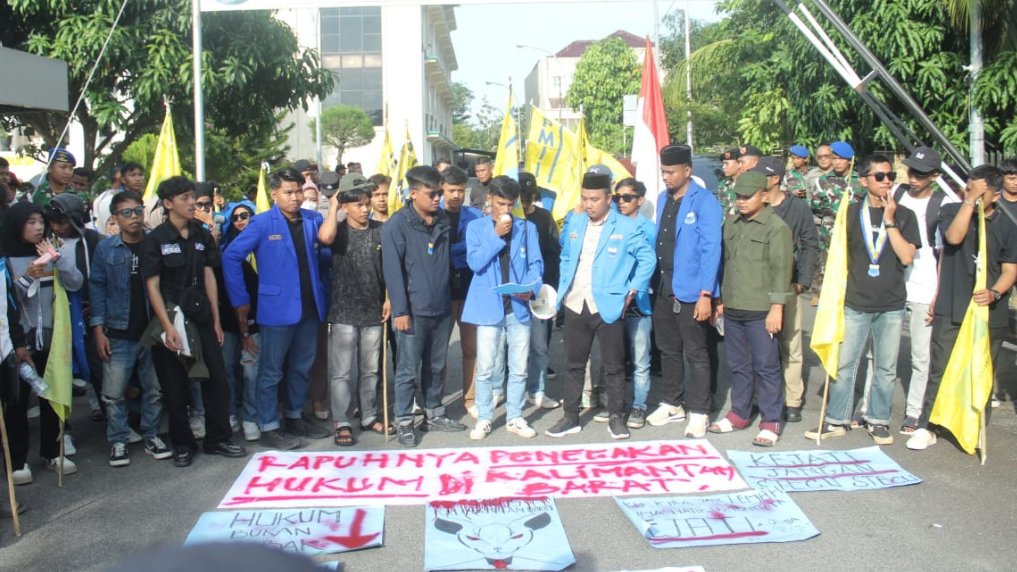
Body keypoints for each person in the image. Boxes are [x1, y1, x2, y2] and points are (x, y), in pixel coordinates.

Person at [805, 154, 920, 445]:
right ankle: (836, 419)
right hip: (855, 301)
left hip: (891, 303)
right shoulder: (850, 212)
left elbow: (907, 256)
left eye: (891, 176)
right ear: (864, 180)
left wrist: (891, 222)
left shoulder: (905, 215)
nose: (887, 181)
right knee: (845, 365)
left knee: (885, 367)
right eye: (879, 176)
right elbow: (837, 259)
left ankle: (878, 420)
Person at [908, 165, 1017, 450]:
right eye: (970, 189)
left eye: (981, 192)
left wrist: (995, 292)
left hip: (989, 310)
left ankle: (973, 426)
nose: (975, 195)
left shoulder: (1007, 222)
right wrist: (969, 201)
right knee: (940, 367)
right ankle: (928, 425)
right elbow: (954, 239)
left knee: (981, 369)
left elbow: (1010, 269)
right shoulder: (951, 211)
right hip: (952, 303)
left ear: (995, 195)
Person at [141, 176, 246, 467]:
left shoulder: (201, 234)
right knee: (174, 388)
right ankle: (183, 445)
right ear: (167, 203)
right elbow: (152, 286)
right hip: (171, 321)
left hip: (202, 320)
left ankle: (218, 439)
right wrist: (167, 326)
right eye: (185, 198)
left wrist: (215, 320)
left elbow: (211, 275)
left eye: (192, 197)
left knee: (218, 380)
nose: (191, 203)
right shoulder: (156, 240)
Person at [223, 168, 331, 450]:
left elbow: (326, 253)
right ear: (273, 194)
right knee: (271, 371)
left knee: (301, 367)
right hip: (276, 309)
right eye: (288, 192)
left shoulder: (312, 219)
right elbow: (231, 256)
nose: (295, 198)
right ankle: (269, 423)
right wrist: (241, 298)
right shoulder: (260, 224)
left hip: (310, 306)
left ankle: (295, 416)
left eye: (298, 191)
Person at [546, 171, 655, 440]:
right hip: (575, 303)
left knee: (614, 365)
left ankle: (617, 417)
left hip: (609, 304)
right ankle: (570, 416)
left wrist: (631, 291)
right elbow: (566, 257)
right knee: (573, 364)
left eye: (594, 199)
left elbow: (648, 259)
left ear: (609, 198)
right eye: (584, 199)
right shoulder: (575, 222)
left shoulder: (626, 226)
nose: (589, 204)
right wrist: (564, 287)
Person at [382, 165, 465, 447]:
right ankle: (404, 420)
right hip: (413, 311)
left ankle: (434, 413)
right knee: (407, 369)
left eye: (439, 193)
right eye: (432, 194)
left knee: (436, 364)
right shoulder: (397, 224)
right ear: (413, 193)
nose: (437, 199)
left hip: (440, 306)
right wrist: (401, 311)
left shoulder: (441, 218)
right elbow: (393, 272)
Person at [1, 202, 84, 476]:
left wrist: (57, 258)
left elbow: (76, 283)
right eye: (31, 222)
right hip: (18, 343)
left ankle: (52, 452)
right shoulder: (6, 259)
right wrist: (26, 278)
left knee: (53, 394)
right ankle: (17, 461)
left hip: (52, 338)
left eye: (41, 222)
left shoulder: (51, 252)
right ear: (16, 225)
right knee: (18, 403)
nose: (38, 228)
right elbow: (7, 303)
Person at [710, 171, 793, 446]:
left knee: (767, 367)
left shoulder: (776, 227)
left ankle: (771, 420)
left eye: (748, 197)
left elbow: (782, 271)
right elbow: (725, 265)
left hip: (761, 310)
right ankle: (740, 413)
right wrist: (719, 301)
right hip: (734, 307)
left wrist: (777, 308)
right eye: (738, 197)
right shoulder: (731, 225)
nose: (741, 201)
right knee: (738, 365)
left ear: (764, 196)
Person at [90, 190, 170, 466]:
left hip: (152, 330)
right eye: (126, 213)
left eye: (137, 211)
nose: (134, 217)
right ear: (115, 217)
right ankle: (119, 439)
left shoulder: (155, 243)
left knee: (155, 389)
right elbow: (97, 289)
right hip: (118, 331)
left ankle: (151, 434)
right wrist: (98, 329)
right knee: (113, 393)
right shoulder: (106, 248)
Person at [649, 144, 723, 438]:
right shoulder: (662, 198)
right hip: (664, 285)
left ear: (687, 171)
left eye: (671, 172)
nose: (665, 177)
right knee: (668, 349)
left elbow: (711, 250)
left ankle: (699, 410)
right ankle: (672, 401)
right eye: (663, 171)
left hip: (693, 291)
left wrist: (707, 293)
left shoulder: (704, 201)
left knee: (696, 352)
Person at [462, 176, 544, 440]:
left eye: (510, 204)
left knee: (519, 367)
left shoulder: (527, 228)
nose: (506, 211)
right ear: (490, 200)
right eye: (500, 204)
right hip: (488, 308)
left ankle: (515, 417)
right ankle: (484, 418)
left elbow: (537, 266)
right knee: (486, 368)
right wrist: (496, 236)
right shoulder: (476, 228)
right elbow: (475, 263)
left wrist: (531, 287)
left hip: (518, 307)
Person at [319, 174, 391, 447]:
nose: (365, 209)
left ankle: (369, 415)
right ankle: (342, 420)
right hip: (343, 311)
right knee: (342, 371)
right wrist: (334, 205)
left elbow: (390, 269)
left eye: (366, 203)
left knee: (371, 369)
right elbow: (324, 238)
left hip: (373, 308)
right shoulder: (337, 231)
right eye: (358, 205)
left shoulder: (380, 230)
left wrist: (390, 298)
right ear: (346, 207)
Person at [893, 147, 956, 434]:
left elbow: (944, 254)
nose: (913, 177)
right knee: (880, 353)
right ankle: (869, 407)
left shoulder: (944, 204)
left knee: (921, 356)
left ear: (935, 176)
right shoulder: (896, 194)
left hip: (924, 287)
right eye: (910, 170)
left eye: (920, 173)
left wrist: (937, 294)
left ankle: (915, 411)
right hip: (892, 285)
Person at [754, 157, 818, 423]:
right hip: (756, 286)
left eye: (762, 175)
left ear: (775, 179)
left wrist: (802, 280)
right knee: (758, 345)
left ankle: (792, 400)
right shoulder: (755, 205)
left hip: (787, 285)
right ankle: (763, 397)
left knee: (790, 344)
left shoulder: (797, 208)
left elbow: (811, 244)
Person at [610, 178, 657, 429]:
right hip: (613, 302)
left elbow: (651, 266)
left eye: (627, 197)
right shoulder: (609, 224)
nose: (621, 202)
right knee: (613, 357)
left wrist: (635, 288)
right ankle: (615, 405)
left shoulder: (649, 229)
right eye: (617, 197)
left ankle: (638, 406)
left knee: (640, 359)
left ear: (640, 200)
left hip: (638, 302)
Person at [216, 200, 261, 442]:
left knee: (252, 373)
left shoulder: (264, 245)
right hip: (230, 321)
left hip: (257, 321)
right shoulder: (227, 252)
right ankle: (232, 412)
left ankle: (251, 417)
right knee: (229, 370)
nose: (241, 220)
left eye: (246, 215)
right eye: (235, 217)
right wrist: (243, 331)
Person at [441, 166, 483, 418]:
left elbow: (479, 247)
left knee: (471, 349)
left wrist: (456, 251)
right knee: (439, 352)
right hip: (442, 292)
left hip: (470, 291)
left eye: (460, 190)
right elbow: (436, 251)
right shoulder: (432, 214)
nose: (456, 195)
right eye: (450, 190)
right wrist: (462, 250)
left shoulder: (475, 216)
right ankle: (436, 401)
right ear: (441, 190)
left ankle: (471, 398)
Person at [519, 172, 561, 409]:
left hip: (541, 290)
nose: (523, 204)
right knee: (508, 345)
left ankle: (538, 389)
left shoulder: (545, 218)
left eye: (527, 199)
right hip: (514, 292)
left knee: (540, 345)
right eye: (520, 199)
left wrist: (551, 290)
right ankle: (504, 389)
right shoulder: (507, 219)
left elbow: (554, 256)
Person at [810, 141, 864, 304]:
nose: (837, 162)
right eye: (835, 158)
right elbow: (816, 206)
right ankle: (827, 301)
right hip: (829, 234)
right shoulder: (822, 181)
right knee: (828, 269)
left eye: (841, 159)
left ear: (850, 161)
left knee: (853, 267)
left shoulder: (859, 181)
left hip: (854, 232)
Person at [0, 239, 32, 488]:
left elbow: (9, 305)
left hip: (5, 347)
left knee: (12, 408)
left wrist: (19, 342)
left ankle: (14, 466)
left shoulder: (2, 259)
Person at [95, 162, 144, 233]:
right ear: (123, 179)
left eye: (140, 175)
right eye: (133, 175)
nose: (138, 179)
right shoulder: (112, 199)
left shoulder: (142, 197)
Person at [716, 148, 740, 219]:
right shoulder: (724, 185)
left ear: (739, 164)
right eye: (723, 164)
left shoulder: (748, 184)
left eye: (727, 164)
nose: (723, 167)